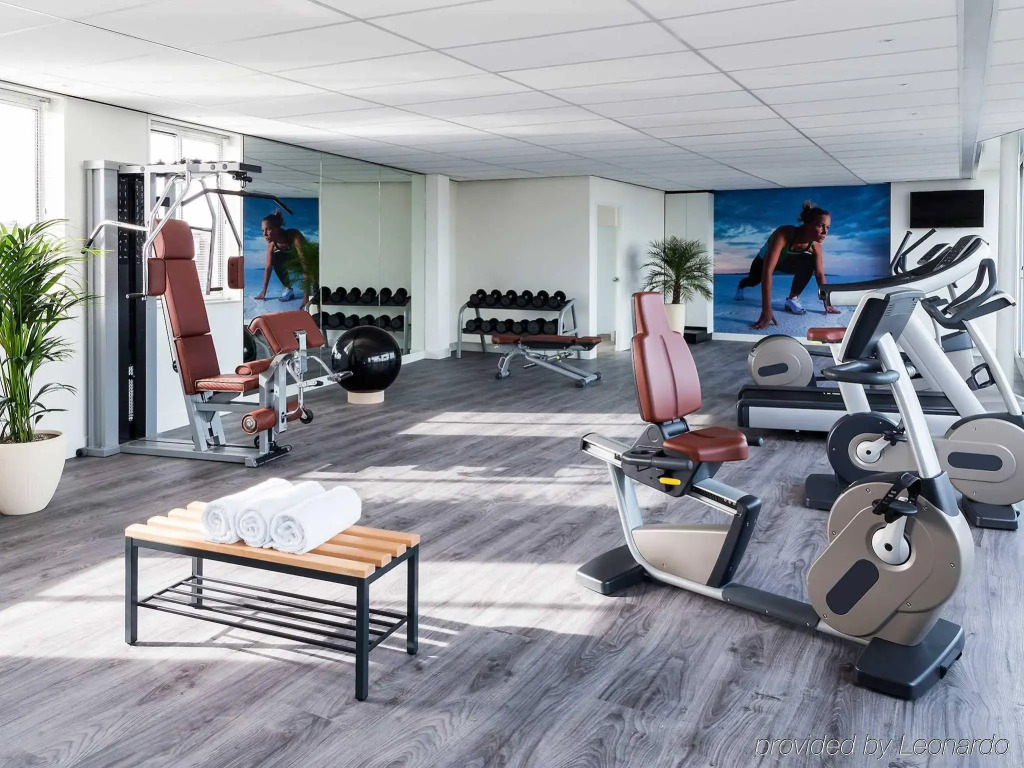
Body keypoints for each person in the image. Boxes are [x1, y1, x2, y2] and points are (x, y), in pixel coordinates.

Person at [734, 202, 841, 330]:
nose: (825, 232)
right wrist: (766, 310)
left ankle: (792, 299)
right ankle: (741, 285)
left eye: (828, 227)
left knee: (809, 262)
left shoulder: (816, 246)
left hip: (785, 262)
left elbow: (819, 274)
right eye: (820, 225)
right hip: (763, 261)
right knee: (753, 281)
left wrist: (827, 302)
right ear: (807, 223)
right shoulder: (783, 234)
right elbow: (768, 271)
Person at [253, 210, 311, 307]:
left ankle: (316, 285)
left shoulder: (294, 236)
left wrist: (306, 298)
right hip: (294, 263)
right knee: (275, 258)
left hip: (311, 263)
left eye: (268, 229)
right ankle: (288, 289)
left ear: (277, 228)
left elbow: (306, 264)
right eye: (263, 230)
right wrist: (264, 290)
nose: (265, 234)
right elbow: (268, 268)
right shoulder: (272, 245)